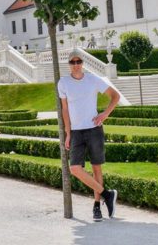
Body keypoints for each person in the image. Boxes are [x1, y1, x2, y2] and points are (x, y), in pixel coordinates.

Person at [58, 49, 122, 222]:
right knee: (75, 169)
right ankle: (107, 194)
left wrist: (105, 114)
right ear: (69, 64)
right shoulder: (63, 83)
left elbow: (115, 96)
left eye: (79, 62)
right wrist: (68, 133)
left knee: (96, 168)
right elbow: (65, 110)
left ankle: (97, 206)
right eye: (73, 62)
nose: (76, 65)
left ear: (82, 63)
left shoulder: (93, 79)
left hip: (94, 130)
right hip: (76, 132)